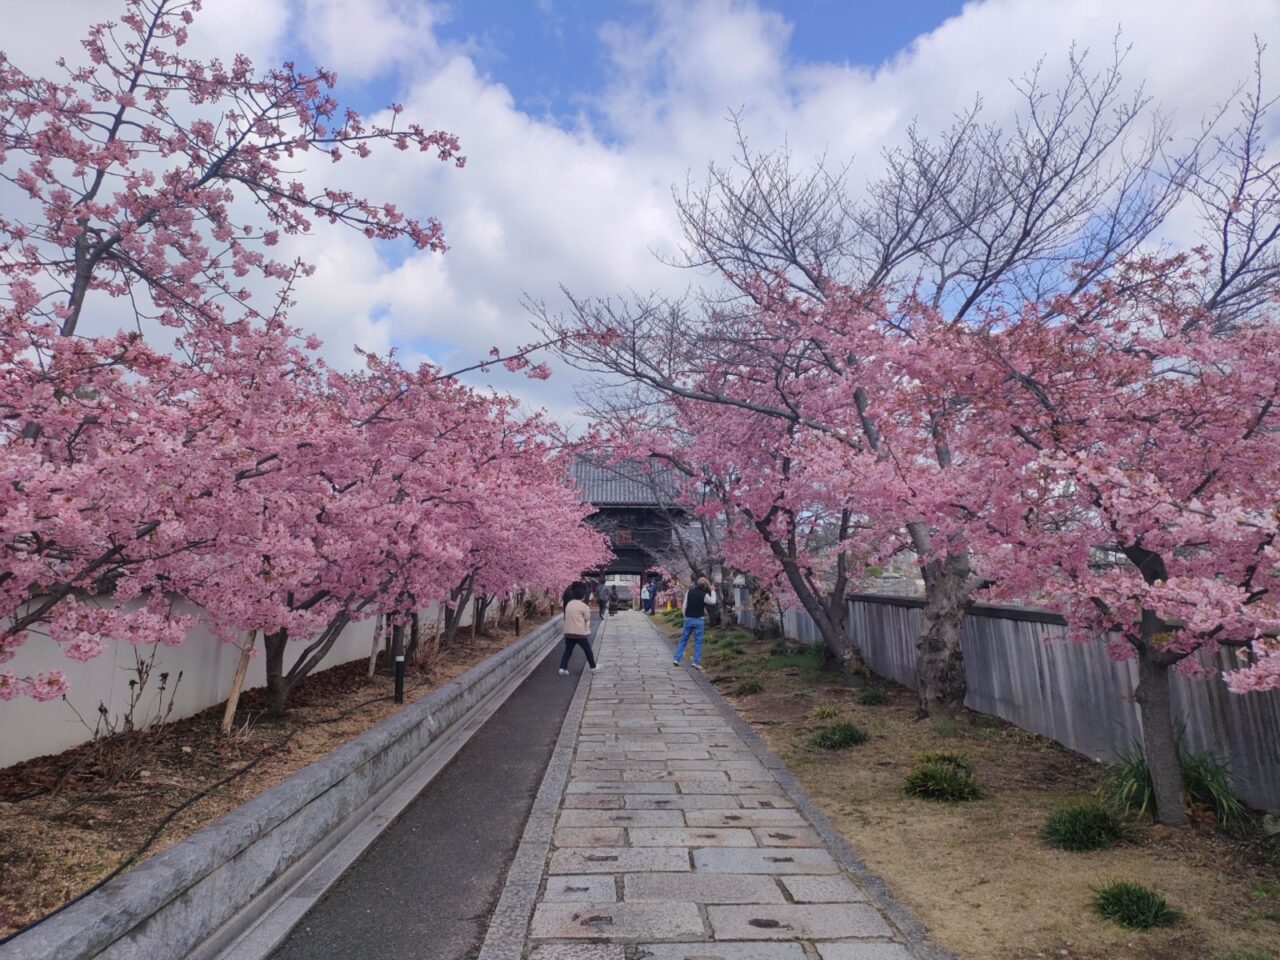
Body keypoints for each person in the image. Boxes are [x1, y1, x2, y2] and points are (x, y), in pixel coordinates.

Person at [673, 576, 717, 670]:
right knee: (698, 641)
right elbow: (713, 602)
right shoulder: (704, 595)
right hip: (698, 619)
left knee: (683, 639)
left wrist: (685, 616)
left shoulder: (690, 592)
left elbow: (684, 606)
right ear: (705, 586)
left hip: (688, 619)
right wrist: (713, 591)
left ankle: (676, 659)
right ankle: (696, 662)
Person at [559, 582, 598, 675]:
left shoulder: (569, 604)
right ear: (583, 596)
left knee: (568, 651)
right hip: (580, 633)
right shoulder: (583, 605)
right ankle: (593, 667)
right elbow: (587, 617)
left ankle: (562, 668)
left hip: (569, 632)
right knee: (587, 650)